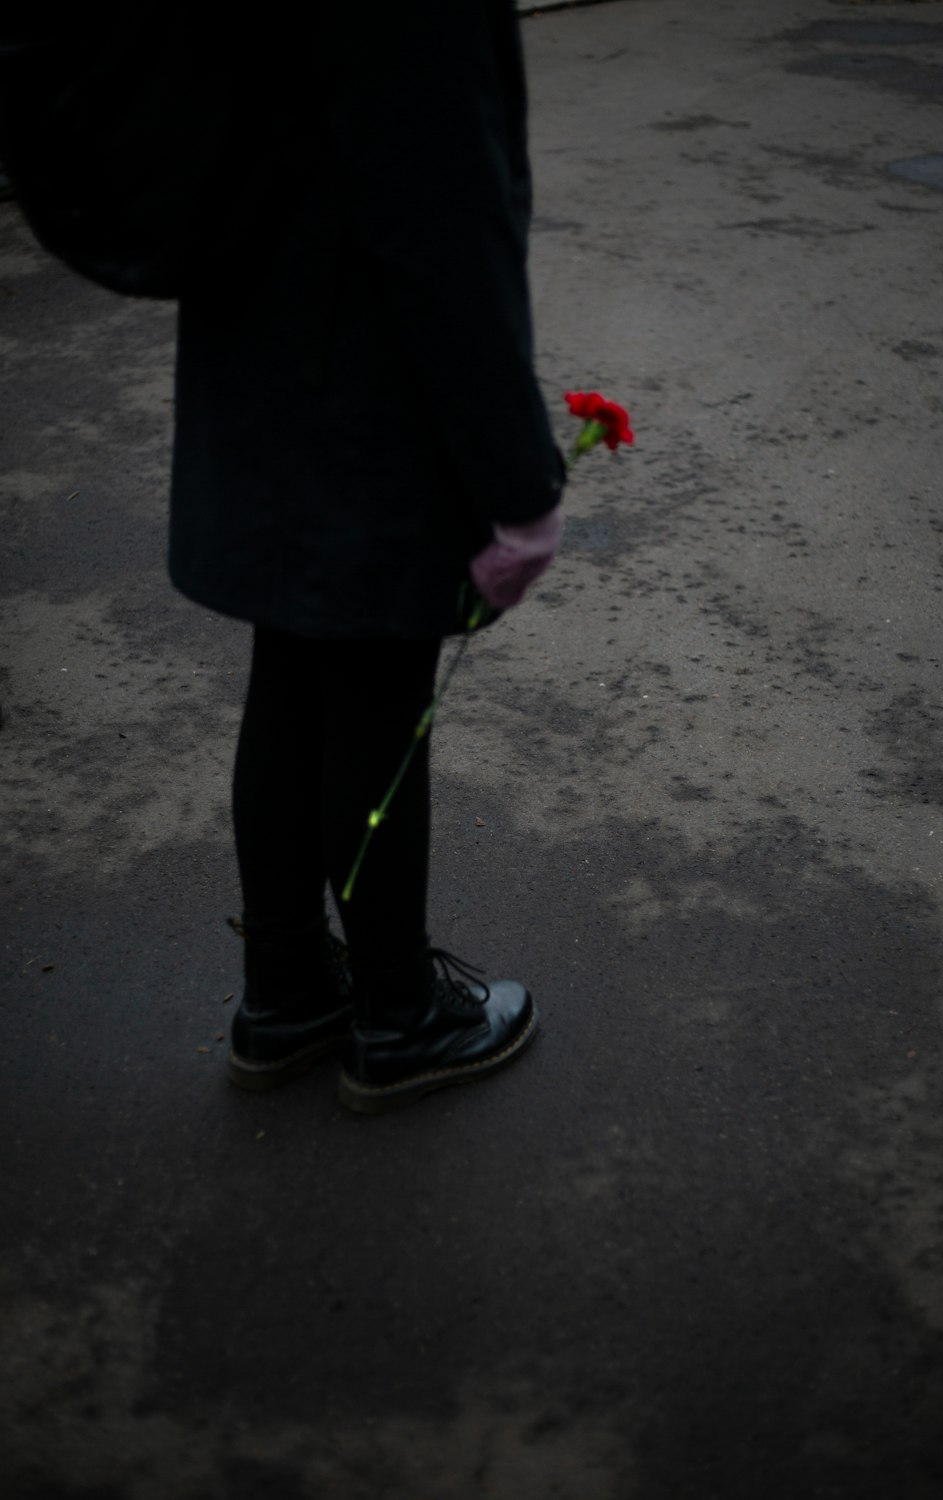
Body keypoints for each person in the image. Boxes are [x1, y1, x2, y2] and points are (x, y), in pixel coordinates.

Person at [168, 3, 565, 1112]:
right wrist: (519, 481)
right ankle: (398, 1015)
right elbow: (446, 210)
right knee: (377, 681)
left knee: (292, 663)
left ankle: (287, 987)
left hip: (262, 330)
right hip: (369, 370)